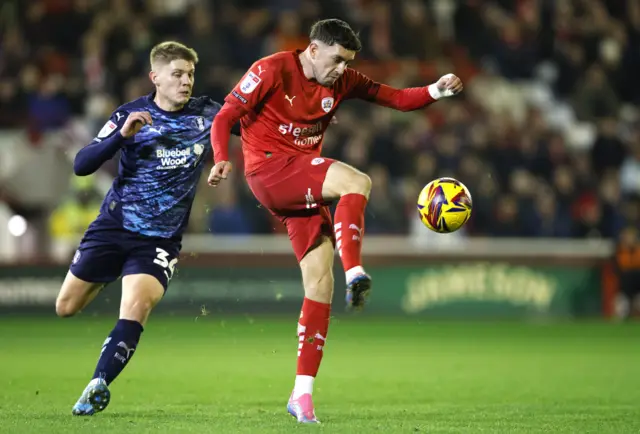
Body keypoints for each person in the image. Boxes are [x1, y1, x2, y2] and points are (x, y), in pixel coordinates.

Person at [208, 18, 463, 423]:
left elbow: (394, 98)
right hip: (270, 172)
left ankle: (302, 394)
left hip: (301, 180)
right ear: (313, 49)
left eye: (347, 62)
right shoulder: (271, 69)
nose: (342, 69)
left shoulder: (341, 81)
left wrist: (436, 90)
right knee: (357, 181)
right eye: (337, 59)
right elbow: (224, 117)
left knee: (319, 285)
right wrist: (222, 157)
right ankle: (356, 268)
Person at [55, 41, 238, 416]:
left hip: (159, 240)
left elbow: (255, 125)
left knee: (136, 307)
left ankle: (97, 384)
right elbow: (81, 164)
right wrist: (121, 135)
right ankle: (110, 273)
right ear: (155, 77)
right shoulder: (130, 113)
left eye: (190, 74)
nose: (186, 81)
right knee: (66, 307)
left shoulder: (208, 114)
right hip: (114, 227)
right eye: (177, 74)